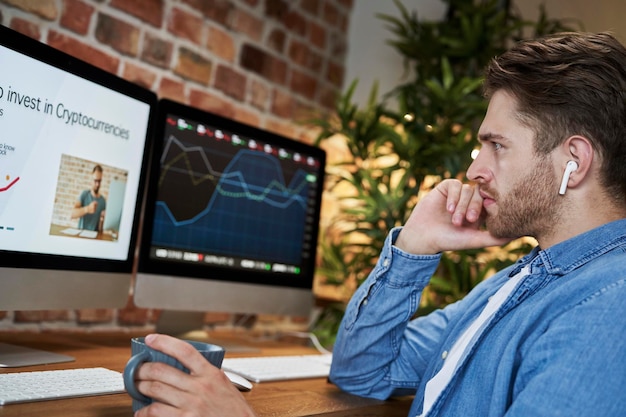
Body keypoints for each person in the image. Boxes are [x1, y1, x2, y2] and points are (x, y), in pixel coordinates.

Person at [131, 31, 626, 417]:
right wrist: (414, 246)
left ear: (574, 162)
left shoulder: (608, 310)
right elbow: (362, 373)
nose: (475, 169)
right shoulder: (523, 281)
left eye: (497, 145)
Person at [71, 164, 106, 232]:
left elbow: (100, 229)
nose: (97, 184)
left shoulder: (103, 201)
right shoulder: (84, 194)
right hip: (81, 234)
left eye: (99, 181)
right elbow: (72, 214)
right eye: (95, 180)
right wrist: (87, 209)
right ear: (91, 180)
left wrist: (102, 220)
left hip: (94, 238)